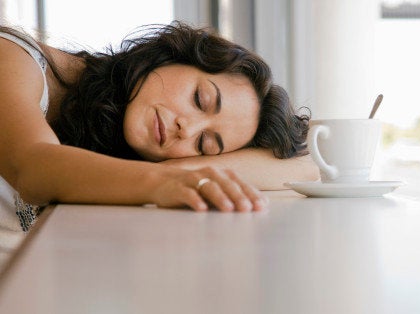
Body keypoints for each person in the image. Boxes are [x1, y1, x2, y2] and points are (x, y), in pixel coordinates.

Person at [0, 22, 319, 264]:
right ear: (174, 56)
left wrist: (186, 169)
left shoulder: (104, 148)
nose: (187, 127)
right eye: (200, 98)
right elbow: (32, 167)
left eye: (205, 144)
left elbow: (306, 168)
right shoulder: (13, 58)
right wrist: (168, 179)